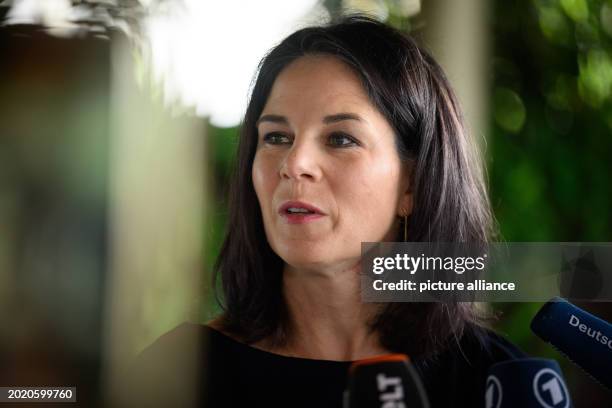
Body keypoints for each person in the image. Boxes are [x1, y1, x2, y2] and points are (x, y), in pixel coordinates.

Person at [131, 14, 525, 408]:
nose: (294, 162)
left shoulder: (498, 380)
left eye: (340, 138)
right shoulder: (176, 374)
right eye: (276, 137)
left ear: (413, 185)